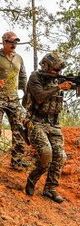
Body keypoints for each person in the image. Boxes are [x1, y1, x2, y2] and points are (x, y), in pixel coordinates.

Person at [24, 52, 72, 203]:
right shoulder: (35, 77)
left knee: (60, 156)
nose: (58, 72)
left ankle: (50, 189)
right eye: (55, 69)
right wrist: (59, 87)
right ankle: (32, 180)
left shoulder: (58, 79)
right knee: (46, 153)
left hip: (54, 124)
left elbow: (77, 87)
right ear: (45, 65)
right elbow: (39, 96)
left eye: (59, 70)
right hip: (36, 121)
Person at [0, 31, 27, 170]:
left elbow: (23, 76)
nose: (14, 45)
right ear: (4, 42)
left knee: (19, 129)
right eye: (11, 42)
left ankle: (17, 161)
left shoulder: (19, 58)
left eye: (16, 42)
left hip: (14, 99)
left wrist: (26, 92)